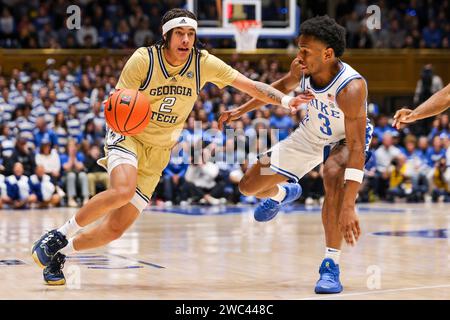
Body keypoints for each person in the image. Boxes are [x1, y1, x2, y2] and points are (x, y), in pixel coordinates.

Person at [31, 8, 311, 285]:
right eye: (180, 33)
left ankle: (60, 253)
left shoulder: (203, 63)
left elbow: (249, 85)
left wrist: (287, 101)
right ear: (166, 35)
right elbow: (118, 103)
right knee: (122, 190)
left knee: (115, 229)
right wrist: (123, 123)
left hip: (160, 150)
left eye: (191, 33)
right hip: (127, 134)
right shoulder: (143, 59)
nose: (186, 40)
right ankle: (59, 234)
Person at [219, 15, 373, 294]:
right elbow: (278, 89)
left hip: (345, 142)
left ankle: (331, 265)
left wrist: (349, 204)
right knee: (248, 185)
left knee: (332, 175)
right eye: (299, 48)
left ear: (328, 54)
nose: (298, 55)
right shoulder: (302, 68)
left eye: (305, 50)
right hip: (309, 135)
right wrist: (240, 110)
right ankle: (281, 194)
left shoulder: (351, 88)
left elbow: (357, 146)